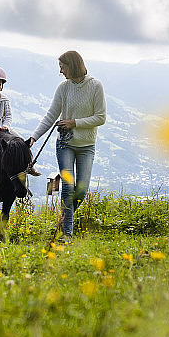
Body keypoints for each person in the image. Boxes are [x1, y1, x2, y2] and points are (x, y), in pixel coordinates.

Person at [28, 51, 106, 243]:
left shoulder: (95, 86)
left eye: (63, 67)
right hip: (65, 144)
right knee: (68, 187)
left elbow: (101, 117)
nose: (61, 71)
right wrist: (33, 137)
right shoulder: (63, 88)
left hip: (87, 145)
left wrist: (74, 122)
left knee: (81, 190)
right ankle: (66, 234)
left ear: (73, 65)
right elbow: (51, 115)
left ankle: (63, 219)